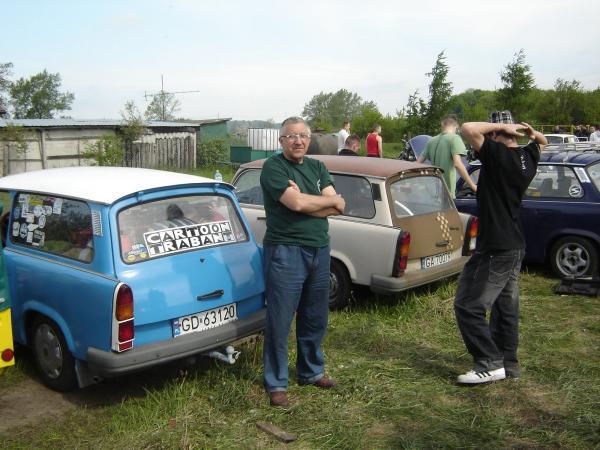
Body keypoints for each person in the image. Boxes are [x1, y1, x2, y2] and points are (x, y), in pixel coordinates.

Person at [453, 113, 547, 384]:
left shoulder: (497, 155)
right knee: (506, 308)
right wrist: (531, 133)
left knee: (468, 305)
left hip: (496, 246)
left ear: (495, 134)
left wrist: (502, 127)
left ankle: (489, 362)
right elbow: (542, 142)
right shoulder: (528, 156)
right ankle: (508, 365)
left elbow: (468, 128)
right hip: (514, 244)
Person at [260, 116, 345, 407]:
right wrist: (311, 202)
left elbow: (338, 205)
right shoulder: (274, 167)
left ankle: (311, 372)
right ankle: (276, 382)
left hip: (320, 250)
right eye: (291, 136)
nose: (298, 141)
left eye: (303, 136)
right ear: (281, 141)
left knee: (314, 316)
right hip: (286, 251)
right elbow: (296, 203)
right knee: (280, 319)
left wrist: (306, 202)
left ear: (309, 139)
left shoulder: (317, 167)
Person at [416, 115, 477, 197]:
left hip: (434, 193)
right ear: (457, 126)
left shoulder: (431, 141)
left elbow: (417, 164)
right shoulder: (455, 138)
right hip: (447, 194)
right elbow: (458, 164)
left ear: (442, 125)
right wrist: (473, 186)